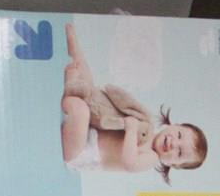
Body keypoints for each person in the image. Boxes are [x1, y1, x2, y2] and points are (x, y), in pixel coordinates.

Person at [58, 25, 208, 177]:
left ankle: (70, 94)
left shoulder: (151, 157)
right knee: (90, 88)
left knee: (81, 110)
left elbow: (129, 164)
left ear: (172, 164)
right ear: (174, 125)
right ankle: (75, 52)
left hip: (82, 152)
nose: (174, 144)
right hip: (87, 131)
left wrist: (130, 130)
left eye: (179, 153)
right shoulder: (145, 127)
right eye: (179, 135)